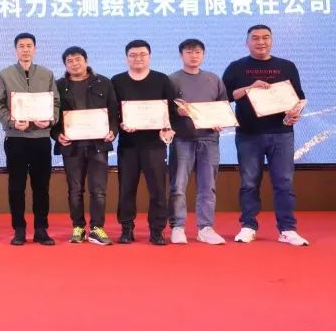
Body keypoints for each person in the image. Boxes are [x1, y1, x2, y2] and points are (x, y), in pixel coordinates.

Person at [222, 25, 309, 246]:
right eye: (255, 38)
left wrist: (295, 113)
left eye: (266, 37)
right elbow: (224, 97)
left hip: (282, 133)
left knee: (284, 183)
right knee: (249, 182)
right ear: (247, 42)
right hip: (248, 134)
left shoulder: (286, 66)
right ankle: (248, 226)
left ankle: (287, 229)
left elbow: (299, 97)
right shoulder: (236, 67)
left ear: (272, 40)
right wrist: (249, 88)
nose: (261, 42)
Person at [0, 33, 60, 246]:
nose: (25, 49)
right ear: (16, 50)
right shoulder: (4, 74)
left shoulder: (47, 74)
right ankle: (19, 230)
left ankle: (41, 229)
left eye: (29, 46)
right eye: (21, 46)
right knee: (16, 186)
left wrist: (50, 120)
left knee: (41, 186)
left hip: (41, 138)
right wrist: (12, 121)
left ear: (35, 49)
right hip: (16, 138)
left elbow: (55, 103)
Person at [111, 40, 176, 245]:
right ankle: (126, 229)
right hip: (128, 145)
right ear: (126, 58)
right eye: (133, 55)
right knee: (126, 188)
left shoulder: (161, 79)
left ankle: (157, 230)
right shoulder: (117, 81)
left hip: (154, 144)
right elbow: (112, 112)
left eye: (142, 54)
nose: (138, 58)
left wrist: (167, 126)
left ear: (149, 56)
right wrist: (121, 124)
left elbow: (171, 110)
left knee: (157, 189)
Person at [51, 47, 118, 246]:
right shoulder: (58, 86)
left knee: (98, 190)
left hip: (98, 145)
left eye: (78, 59)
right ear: (65, 65)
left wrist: (113, 131)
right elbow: (52, 116)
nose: (74, 63)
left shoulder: (103, 82)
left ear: (86, 60)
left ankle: (97, 228)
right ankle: (78, 227)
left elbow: (114, 112)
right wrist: (57, 135)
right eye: (69, 61)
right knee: (75, 190)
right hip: (72, 147)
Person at [168, 39, 229, 245]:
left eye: (198, 52)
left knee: (208, 186)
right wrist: (177, 111)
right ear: (181, 55)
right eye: (189, 52)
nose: (193, 56)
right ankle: (177, 227)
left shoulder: (214, 79)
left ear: (203, 55)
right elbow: (165, 110)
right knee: (178, 185)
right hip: (182, 139)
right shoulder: (172, 80)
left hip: (209, 139)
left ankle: (206, 228)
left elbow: (223, 107)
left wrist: (220, 121)